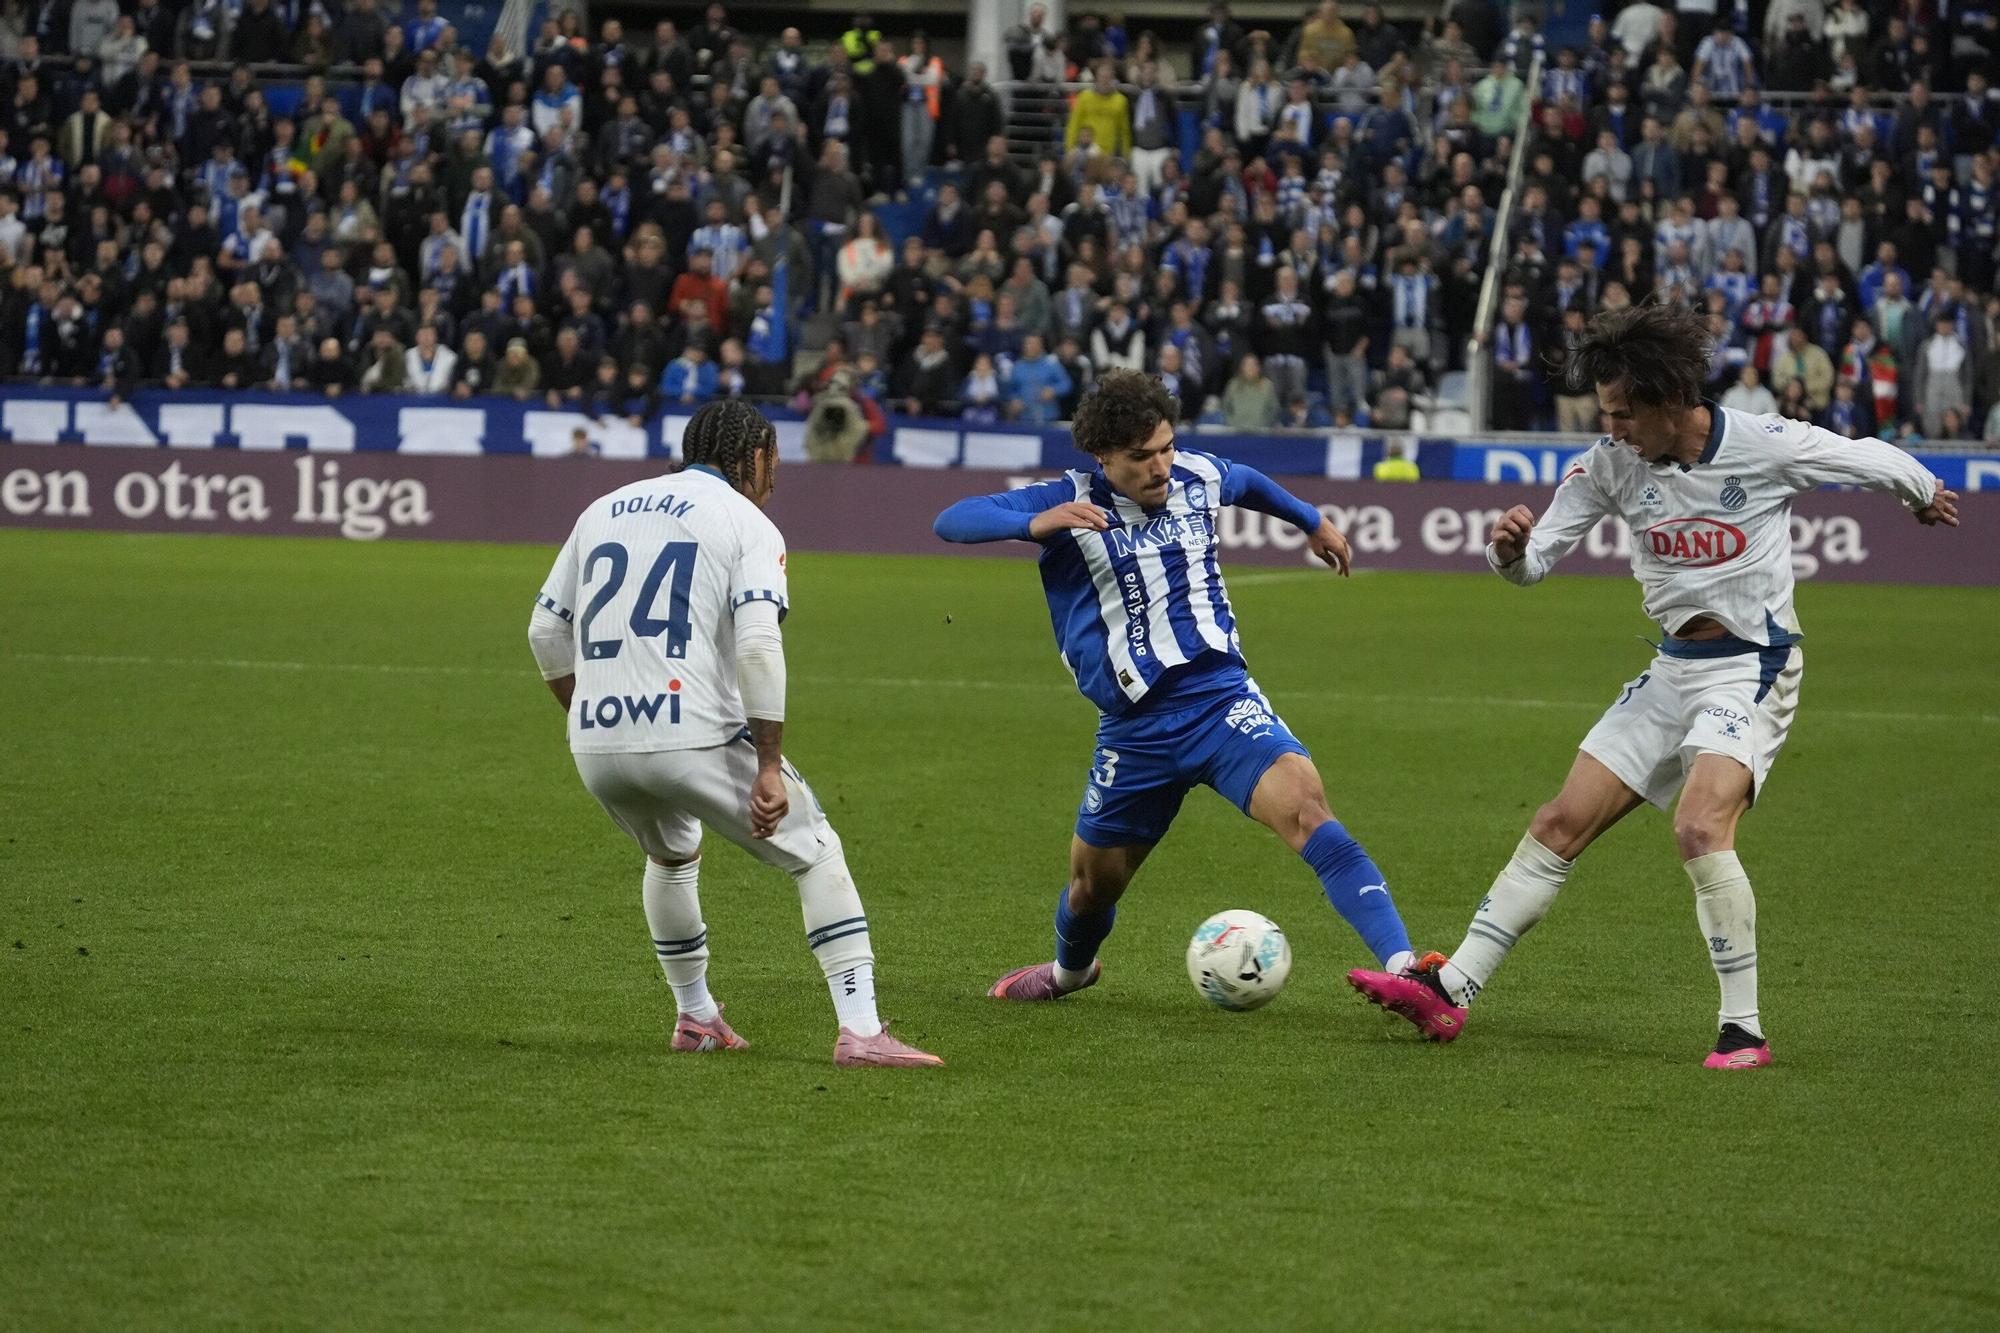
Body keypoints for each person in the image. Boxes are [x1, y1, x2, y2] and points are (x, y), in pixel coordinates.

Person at [1348, 304, 1961, 1067]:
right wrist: (1508, 550)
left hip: (1752, 667)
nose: (1612, 428)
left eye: (1623, 413)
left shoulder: (1762, 445)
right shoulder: (1608, 463)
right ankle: (1452, 992)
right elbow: (1534, 563)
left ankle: (1744, 1029)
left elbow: (1860, 454)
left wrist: (1920, 489)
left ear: (1671, 400)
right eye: (1605, 413)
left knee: (1700, 827)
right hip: (1673, 668)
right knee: (1558, 822)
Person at [933, 370, 1426, 1002]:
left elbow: (1245, 480)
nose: (1161, 466)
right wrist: (1037, 523)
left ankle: (1409, 968)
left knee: (1306, 807)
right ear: (1103, 456)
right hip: (1133, 730)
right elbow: (953, 518)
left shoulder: (1196, 474)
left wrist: (1311, 520)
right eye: (1141, 457)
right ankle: (1069, 973)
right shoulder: (1067, 501)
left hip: (1220, 701)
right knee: (1090, 889)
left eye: (1166, 447)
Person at [527, 401, 943, 1069]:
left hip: (598, 743)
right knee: (815, 849)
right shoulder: (748, 521)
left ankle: (695, 1015)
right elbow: (757, 644)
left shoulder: (602, 508)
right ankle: (862, 1029)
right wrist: (769, 763)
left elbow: (544, 631)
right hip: (691, 730)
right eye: (771, 463)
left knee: (670, 854)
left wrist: (590, 711)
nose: (773, 478)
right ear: (751, 458)